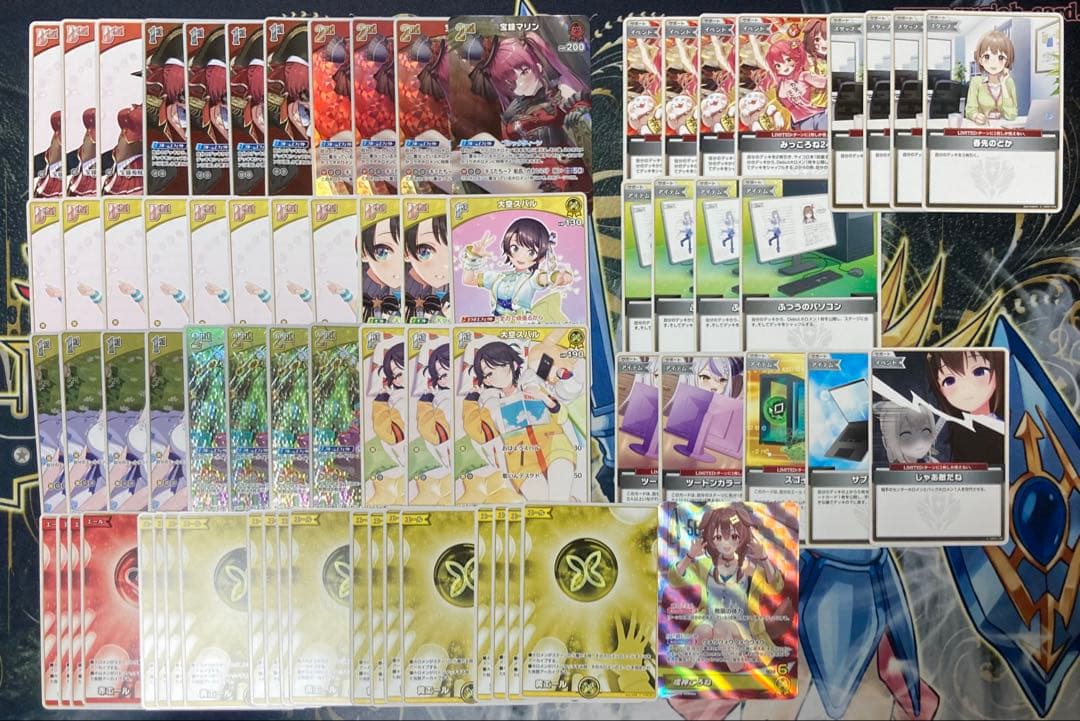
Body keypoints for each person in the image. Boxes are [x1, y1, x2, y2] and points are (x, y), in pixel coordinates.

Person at [460, 218, 573, 320]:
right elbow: (468, 280)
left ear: (541, 258)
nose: (521, 256)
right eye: (515, 248)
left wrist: (558, 277)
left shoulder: (532, 279)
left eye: (531, 252)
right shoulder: (498, 277)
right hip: (498, 326)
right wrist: (473, 256)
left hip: (522, 327)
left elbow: (544, 279)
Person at [925, 350, 1005, 464]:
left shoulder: (1011, 418)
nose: (965, 388)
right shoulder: (957, 434)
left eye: (979, 372)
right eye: (949, 381)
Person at [965, 30, 1018, 125]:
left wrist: (1003, 84)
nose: (993, 63)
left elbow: (1012, 115)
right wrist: (976, 116)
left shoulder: (1009, 82)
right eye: (987, 56)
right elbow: (970, 110)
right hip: (982, 127)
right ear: (980, 60)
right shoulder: (976, 81)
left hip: (1003, 128)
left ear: (1007, 61)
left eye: (1000, 57)